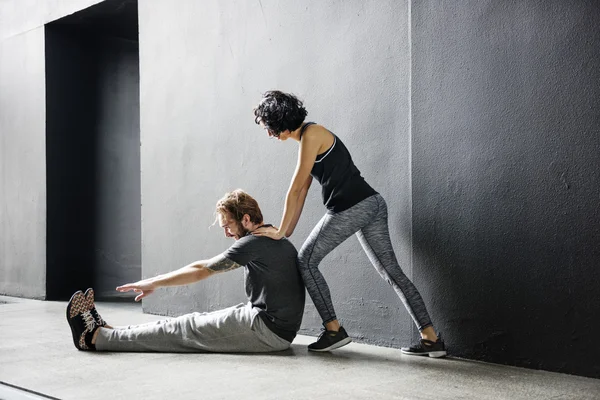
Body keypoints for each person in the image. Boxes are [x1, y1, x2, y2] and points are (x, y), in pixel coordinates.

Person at [252, 91, 446, 357]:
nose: (269, 134)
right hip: (371, 204)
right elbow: (303, 193)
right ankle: (431, 339)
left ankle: (333, 330)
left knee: (306, 261)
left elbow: (295, 189)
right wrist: (285, 232)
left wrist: (280, 231)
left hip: (353, 207)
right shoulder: (308, 140)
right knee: (391, 272)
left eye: (269, 128)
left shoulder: (312, 134)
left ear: (279, 120)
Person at [65, 189, 305, 353]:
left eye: (228, 226)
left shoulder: (253, 243)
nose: (226, 234)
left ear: (244, 219)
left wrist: (153, 282)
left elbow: (201, 270)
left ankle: (94, 338)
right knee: (190, 322)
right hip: (268, 322)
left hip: (269, 331)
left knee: (185, 330)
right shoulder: (273, 235)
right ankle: (110, 332)